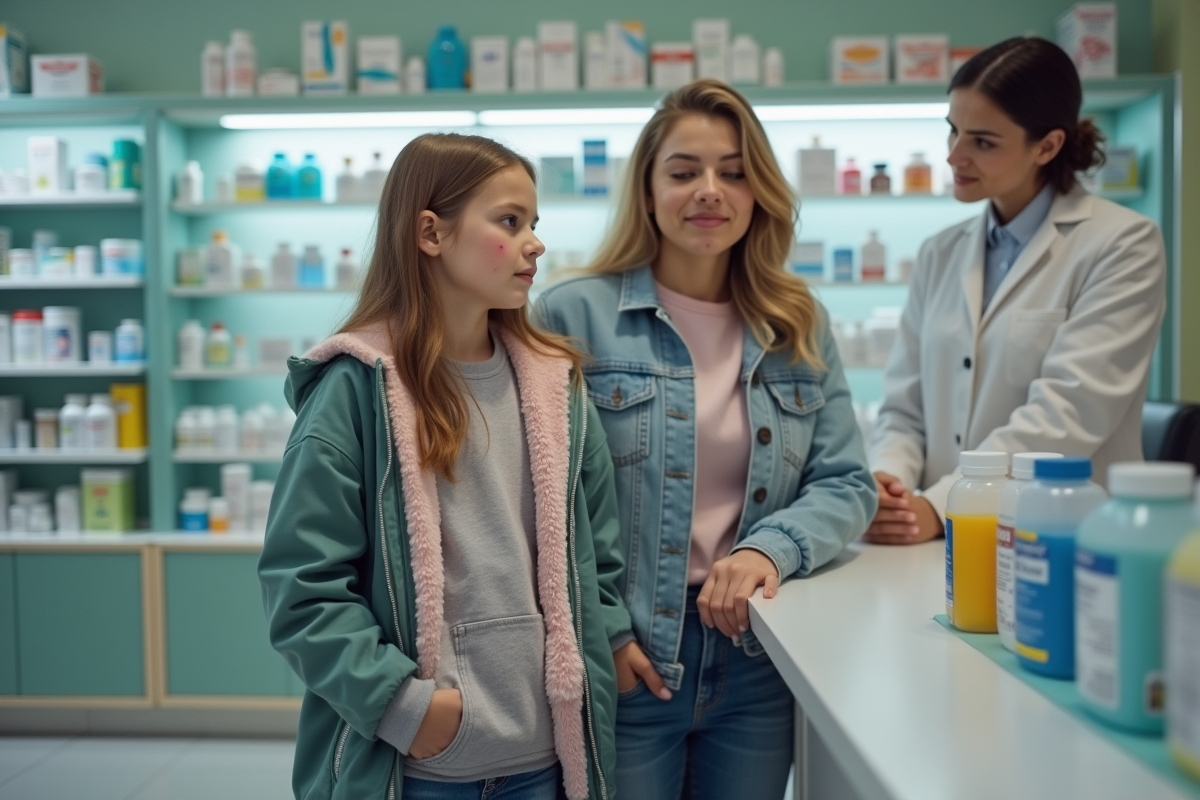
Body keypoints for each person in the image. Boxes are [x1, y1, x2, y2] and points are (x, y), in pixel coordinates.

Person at [259, 133, 631, 800]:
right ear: (430, 233)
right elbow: (302, 585)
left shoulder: (556, 388)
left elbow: (597, 561)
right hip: (416, 767)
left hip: (548, 759)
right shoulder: (357, 390)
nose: (535, 244)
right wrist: (403, 707)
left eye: (534, 225)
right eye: (510, 222)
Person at [535, 79, 878, 800]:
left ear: (760, 192)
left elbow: (847, 481)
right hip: (627, 655)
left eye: (733, 170)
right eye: (684, 171)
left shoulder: (796, 321)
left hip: (759, 654)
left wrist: (767, 549)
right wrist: (609, 634)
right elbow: (539, 498)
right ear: (649, 189)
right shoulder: (574, 313)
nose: (709, 191)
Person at [865, 37, 1167, 545]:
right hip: (942, 541)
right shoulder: (941, 252)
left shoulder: (1121, 243)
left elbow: (1069, 411)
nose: (954, 155)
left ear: (1046, 146)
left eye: (982, 141)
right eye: (952, 131)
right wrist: (887, 482)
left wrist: (941, 504)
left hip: (1061, 538)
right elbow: (903, 406)